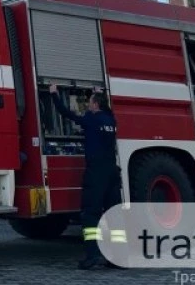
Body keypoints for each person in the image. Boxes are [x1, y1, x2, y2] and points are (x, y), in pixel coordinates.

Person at [49, 83, 125, 269]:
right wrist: (98, 93)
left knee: (90, 215)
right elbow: (108, 112)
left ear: (95, 105)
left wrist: (54, 95)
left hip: (96, 173)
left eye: (90, 102)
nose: (89, 105)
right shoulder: (110, 121)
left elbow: (66, 113)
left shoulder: (92, 119)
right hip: (112, 173)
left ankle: (92, 256)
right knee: (114, 215)